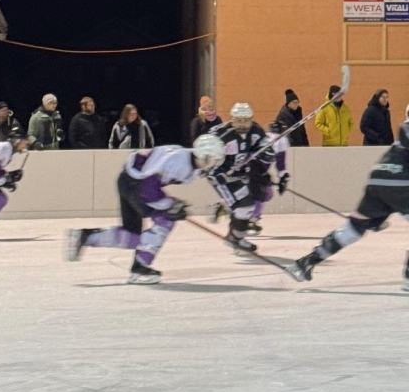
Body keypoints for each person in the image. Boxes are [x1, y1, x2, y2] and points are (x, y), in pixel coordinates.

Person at [286, 103, 409, 292]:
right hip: (399, 179)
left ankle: (308, 261)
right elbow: (405, 130)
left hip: (380, 180)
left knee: (354, 228)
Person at [64, 135, 226, 284]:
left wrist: (171, 204)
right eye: (213, 160)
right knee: (165, 221)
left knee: (131, 236)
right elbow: (148, 188)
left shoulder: (189, 161)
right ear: (204, 156)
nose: (214, 164)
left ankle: (85, 236)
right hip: (137, 185)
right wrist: (169, 205)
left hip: (129, 180)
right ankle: (139, 268)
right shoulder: (179, 162)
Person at [208, 103, 274, 252]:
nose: (242, 124)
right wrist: (215, 172)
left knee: (248, 207)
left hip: (239, 176)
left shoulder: (255, 130)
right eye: (239, 120)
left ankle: (237, 237)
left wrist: (266, 154)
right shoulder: (222, 135)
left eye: (246, 120)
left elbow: (264, 145)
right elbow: (206, 156)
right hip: (222, 179)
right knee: (241, 207)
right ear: (232, 119)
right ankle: (235, 236)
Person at [247, 121, 291, 235]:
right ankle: (251, 221)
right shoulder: (281, 140)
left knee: (262, 194)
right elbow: (280, 162)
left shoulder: (264, 136)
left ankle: (248, 218)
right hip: (256, 169)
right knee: (263, 194)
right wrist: (282, 177)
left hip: (251, 168)